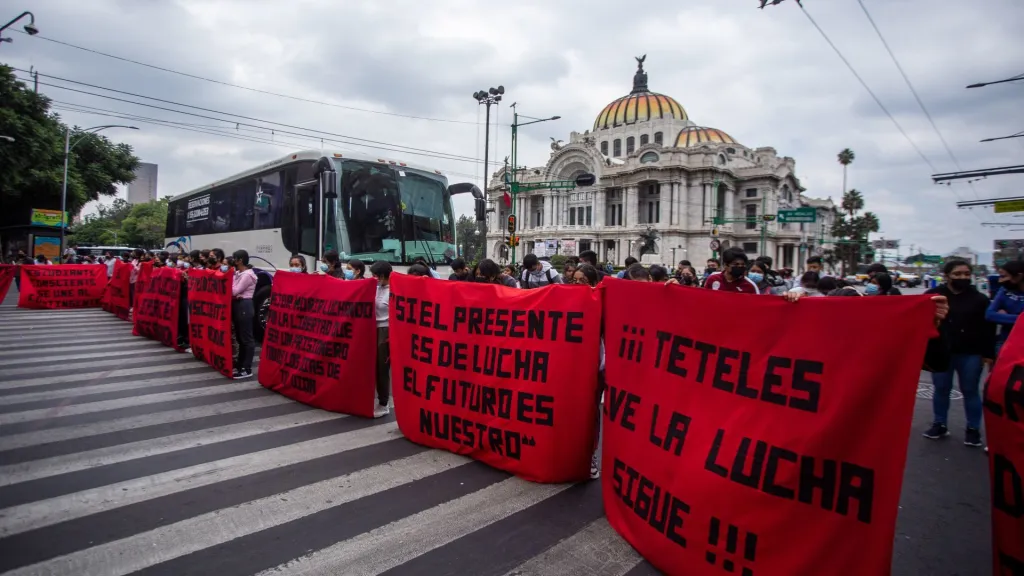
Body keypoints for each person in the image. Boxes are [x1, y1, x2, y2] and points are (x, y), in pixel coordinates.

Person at [922, 259, 994, 447]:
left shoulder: (979, 299)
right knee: (941, 389)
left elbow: (988, 329)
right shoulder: (933, 296)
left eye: (966, 274)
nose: (963, 278)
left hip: (971, 354)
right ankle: (940, 424)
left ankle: (973, 429)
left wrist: (988, 354)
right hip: (941, 352)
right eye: (957, 274)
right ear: (946, 276)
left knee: (970, 391)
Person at [370, 261, 393, 418]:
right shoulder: (375, 288)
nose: (374, 278)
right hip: (372, 328)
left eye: (376, 275)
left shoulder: (394, 290)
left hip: (386, 330)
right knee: (373, 367)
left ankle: (383, 403)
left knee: (382, 368)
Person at [986, 259, 1024, 356]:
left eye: (1004, 276)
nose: (1000, 280)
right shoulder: (1004, 290)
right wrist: (1020, 318)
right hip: (1006, 342)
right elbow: (989, 315)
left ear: (1019, 276)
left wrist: (1005, 316)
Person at [230, 249, 257, 379]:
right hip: (239, 305)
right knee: (240, 338)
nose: (232, 261)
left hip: (244, 306)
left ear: (240, 260)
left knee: (246, 338)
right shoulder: (238, 273)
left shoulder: (247, 275)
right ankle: (240, 364)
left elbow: (234, 290)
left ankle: (247, 368)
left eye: (234, 258)